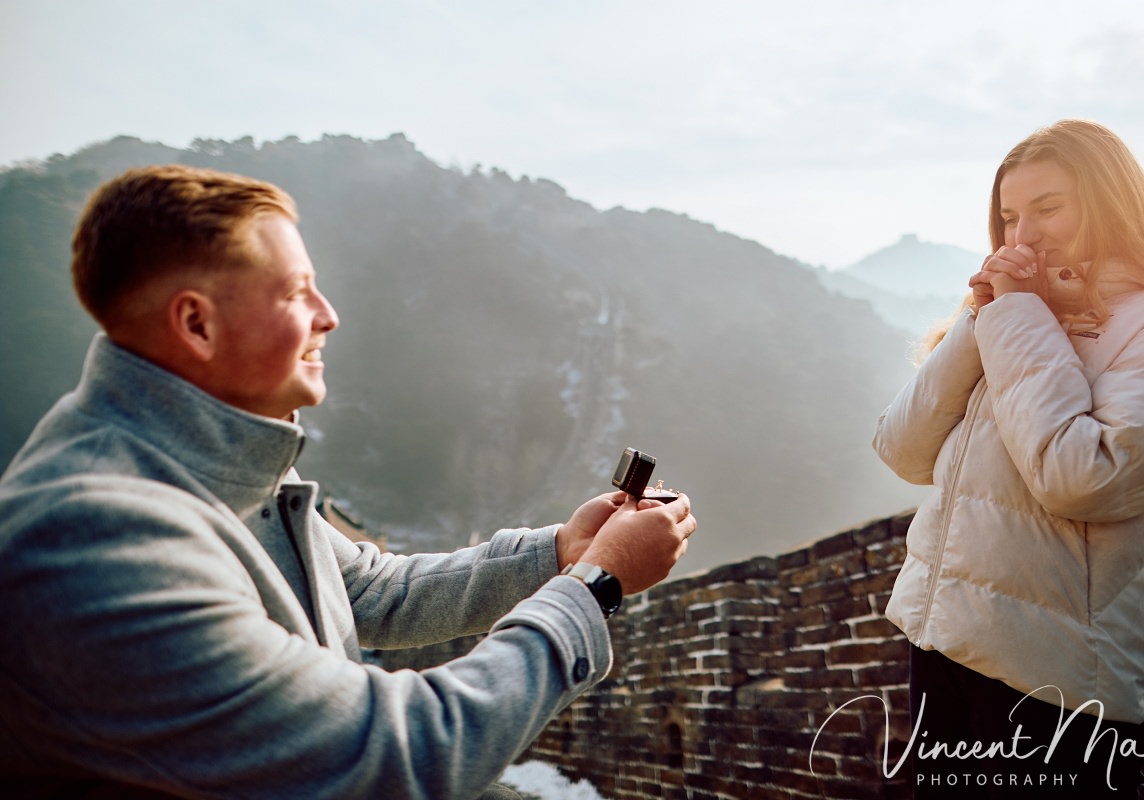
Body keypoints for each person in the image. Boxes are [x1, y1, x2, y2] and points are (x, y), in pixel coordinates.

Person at [0, 164, 697, 799]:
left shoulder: (213, 465)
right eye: (298, 292)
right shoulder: (94, 537)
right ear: (196, 324)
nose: (328, 316)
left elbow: (369, 591)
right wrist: (594, 588)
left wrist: (560, 554)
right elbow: (386, 758)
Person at [873, 119, 1144, 798]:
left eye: (1049, 208)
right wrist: (983, 314)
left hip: (1061, 678)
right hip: (945, 644)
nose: (1024, 235)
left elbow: (1081, 478)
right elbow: (901, 449)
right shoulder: (1011, 315)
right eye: (1009, 217)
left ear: (1113, 202)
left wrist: (1018, 314)